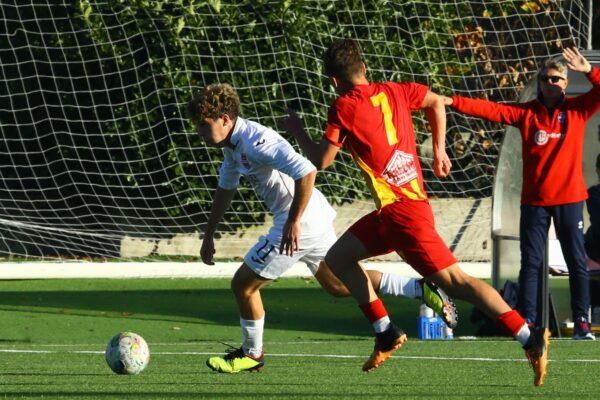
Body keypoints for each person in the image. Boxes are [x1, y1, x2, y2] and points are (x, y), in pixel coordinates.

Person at [279, 38, 548, 387]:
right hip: (396, 212)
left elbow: (322, 160)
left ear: (334, 81)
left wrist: (298, 130)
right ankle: (385, 331)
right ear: (364, 69)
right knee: (337, 259)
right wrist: (438, 152)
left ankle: (530, 337)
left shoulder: (343, 105)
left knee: (459, 283)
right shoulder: (395, 90)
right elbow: (437, 103)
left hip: (403, 215)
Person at [185, 83, 457, 374]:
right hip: (310, 217)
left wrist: (292, 222)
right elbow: (226, 187)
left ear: (225, 119)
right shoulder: (233, 146)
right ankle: (421, 289)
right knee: (338, 284)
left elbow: (307, 171)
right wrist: (209, 234)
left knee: (243, 284)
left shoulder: (257, 141)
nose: (200, 133)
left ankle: (252, 353)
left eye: (204, 125)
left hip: (298, 223)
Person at [444, 47, 600, 340]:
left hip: (569, 200)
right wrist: (453, 101)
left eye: (556, 79)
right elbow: (489, 109)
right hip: (535, 203)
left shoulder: (577, 111)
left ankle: (581, 323)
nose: (549, 83)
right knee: (531, 263)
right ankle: (527, 322)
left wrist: (588, 70)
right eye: (545, 78)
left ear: (565, 83)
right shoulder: (527, 114)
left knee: (576, 262)